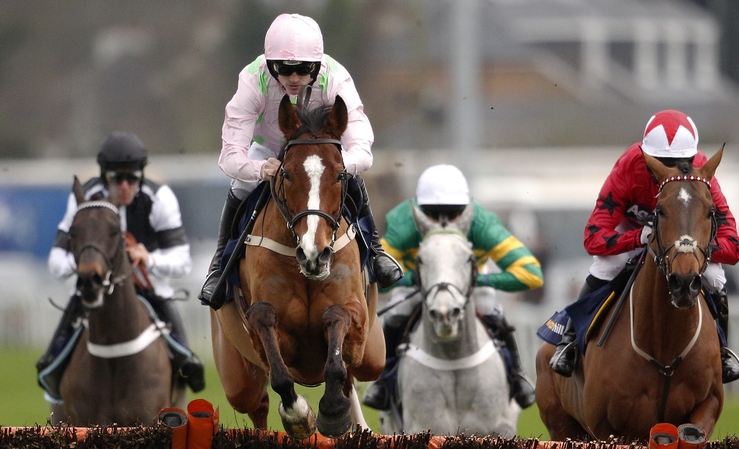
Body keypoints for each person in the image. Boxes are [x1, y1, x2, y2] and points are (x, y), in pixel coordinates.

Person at [198, 13, 401, 305]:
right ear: (270, 64)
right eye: (283, 69)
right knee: (240, 185)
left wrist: (341, 167)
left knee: (350, 177)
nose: (294, 78)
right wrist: (259, 168)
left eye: (304, 69)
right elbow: (230, 155)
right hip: (268, 151)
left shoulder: (336, 78)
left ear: (317, 65)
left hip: (317, 152)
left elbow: (361, 146)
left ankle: (376, 251)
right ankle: (219, 267)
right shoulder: (253, 80)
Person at [548, 109, 739, 383]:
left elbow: (734, 247)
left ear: (692, 158)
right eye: (662, 162)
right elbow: (593, 237)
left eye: (680, 162)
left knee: (714, 276)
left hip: (687, 241)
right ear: (646, 157)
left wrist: (701, 249)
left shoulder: (704, 174)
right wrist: (637, 238)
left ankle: (723, 352)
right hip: (636, 233)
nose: (671, 170)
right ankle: (568, 342)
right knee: (607, 265)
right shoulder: (627, 169)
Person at [362, 164, 545, 411]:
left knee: (490, 308)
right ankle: (384, 382)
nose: (444, 222)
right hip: (419, 280)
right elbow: (372, 276)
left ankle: (517, 375)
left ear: (466, 208)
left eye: (453, 212)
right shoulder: (404, 222)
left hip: (467, 280)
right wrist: (409, 280)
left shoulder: (481, 222)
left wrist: (477, 281)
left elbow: (531, 274)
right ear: (419, 210)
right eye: (433, 214)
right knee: (397, 313)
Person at [37, 132, 205, 399]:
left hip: (147, 287)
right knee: (49, 362)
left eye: (133, 178)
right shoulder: (85, 196)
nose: (125, 186)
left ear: (142, 175)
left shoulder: (160, 197)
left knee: (186, 358)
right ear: (105, 175)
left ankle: (185, 361)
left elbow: (183, 260)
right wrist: (87, 262)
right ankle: (52, 366)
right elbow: (57, 262)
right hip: (94, 286)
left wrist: (149, 258)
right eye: (117, 178)